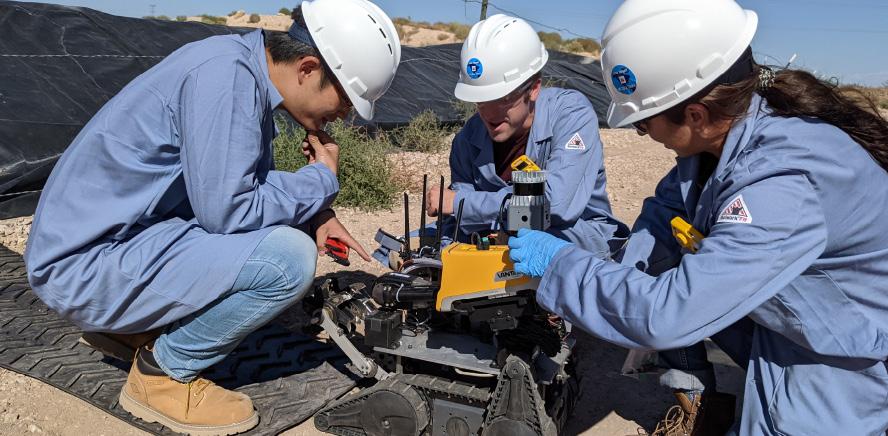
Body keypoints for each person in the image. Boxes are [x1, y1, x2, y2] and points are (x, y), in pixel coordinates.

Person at [507, 0, 888, 435]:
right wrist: (619, 278)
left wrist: (560, 266)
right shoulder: (728, 137)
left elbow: (667, 315)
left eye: (642, 123)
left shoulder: (782, 184)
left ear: (695, 115)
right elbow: (665, 212)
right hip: (797, 316)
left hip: (846, 353)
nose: (642, 133)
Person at [23, 0, 400, 434]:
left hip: (109, 242)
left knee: (274, 234)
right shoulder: (226, 82)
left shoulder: (236, 68)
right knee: (288, 260)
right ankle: (162, 374)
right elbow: (232, 211)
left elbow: (231, 187)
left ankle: (130, 327)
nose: (345, 116)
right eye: (346, 100)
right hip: (82, 267)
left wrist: (316, 213)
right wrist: (319, 181)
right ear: (308, 69)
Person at [424, 14, 627, 257]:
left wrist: (462, 203)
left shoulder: (571, 114)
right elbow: (465, 224)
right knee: (420, 241)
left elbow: (556, 205)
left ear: (533, 89)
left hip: (574, 238)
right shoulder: (467, 139)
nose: (489, 113)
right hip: (497, 239)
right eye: (480, 101)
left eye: (503, 99)